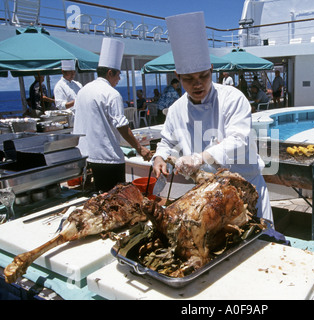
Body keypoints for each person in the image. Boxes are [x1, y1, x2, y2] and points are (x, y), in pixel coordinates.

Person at [152, 11, 273, 223]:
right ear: (178, 77)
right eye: (189, 79)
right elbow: (167, 141)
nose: (198, 84)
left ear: (211, 70)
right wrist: (160, 157)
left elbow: (238, 140)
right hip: (208, 196)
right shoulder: (176, 109)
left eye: (203, 76)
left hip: (246, 188)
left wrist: (200, 158)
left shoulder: (233, 98)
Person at [73, 38, 152, 192]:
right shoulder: (112, 94)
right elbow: (122, 126)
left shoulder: (83, 91)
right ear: (110, 73)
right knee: (116, 202)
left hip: (86, 155)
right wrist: (139, 148)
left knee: (98, 198)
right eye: (118, 75)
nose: (119, 79)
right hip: (108, 158)